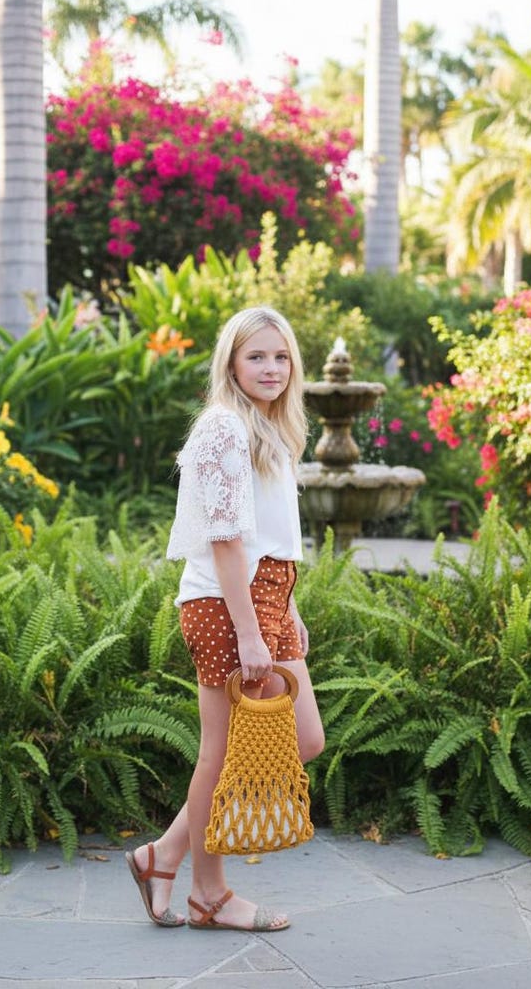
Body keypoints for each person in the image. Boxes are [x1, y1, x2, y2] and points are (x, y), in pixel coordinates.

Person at [125, 305, 325, 932]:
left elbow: (270, 536)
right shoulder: (223, 428)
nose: (271, 368)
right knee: (223, 754)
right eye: (256, 356)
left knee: (304, 739)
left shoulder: (269, 428)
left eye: (281, 356)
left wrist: (288, 608)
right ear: (231, 363)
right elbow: (227, 541)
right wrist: (249, 631)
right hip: (226, 604)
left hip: (268, 597)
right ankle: (207, 894)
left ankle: (163, 855)